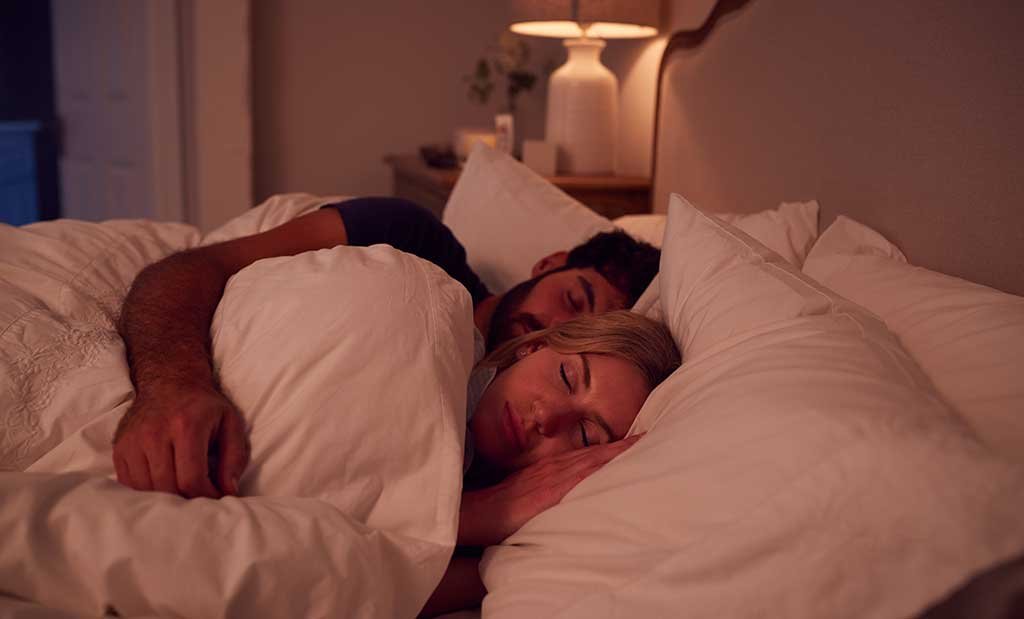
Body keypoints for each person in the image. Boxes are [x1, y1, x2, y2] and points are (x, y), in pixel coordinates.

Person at [112, 197, 660, 500]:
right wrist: (174, 385)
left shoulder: (515, 449)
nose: (554, 325)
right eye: (572, 296)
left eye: (586, 327)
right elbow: (194, 268)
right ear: (548, 264)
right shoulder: (415, 242)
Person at [421, 310, 681, 616]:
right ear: (534, 347)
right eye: (565, 378)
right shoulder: (437, 340)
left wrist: (481, 516)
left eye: (585, 434)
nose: (546, 416)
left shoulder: (501, 558)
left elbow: (380, 586)